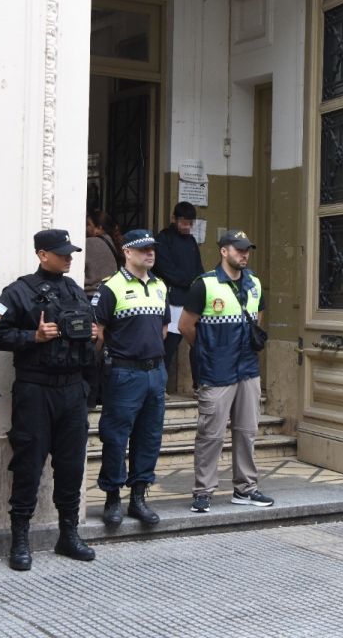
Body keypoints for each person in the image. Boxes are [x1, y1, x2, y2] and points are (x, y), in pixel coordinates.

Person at [0, 229, 98, 571]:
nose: (69, 257)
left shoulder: (74, 290)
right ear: (42, 254)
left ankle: (69, 533)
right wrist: (32, 336)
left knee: (71, 465)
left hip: (73, 390)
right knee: (29, 464)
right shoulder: (18, 292)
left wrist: (92, 335)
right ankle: (20, 538)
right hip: (36, 389)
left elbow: (88, 332)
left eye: (71, 252)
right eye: (62, 252)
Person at [180, 229, 273, 513]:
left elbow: (258, 316)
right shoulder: (204, 285)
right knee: (211, 434)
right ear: (223, 251)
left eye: (247, 250)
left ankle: (246, 488)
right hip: (216, 369)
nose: (244, 254)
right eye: (238, 249)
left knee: (247, 431)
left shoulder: (254, 282)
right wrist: (209, 350)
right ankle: (203, 491)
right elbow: (186, 326)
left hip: (247, 368)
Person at [92, 228, 171, 527]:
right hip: (124, 372)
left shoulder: (161, 286)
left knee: (149, 436)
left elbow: (164, 327)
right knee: (115, 437)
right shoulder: (110, 287)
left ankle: (139, 497)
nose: (150, 253)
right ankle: (113, 498)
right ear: (127, 252)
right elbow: (96, 331)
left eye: (152, 249)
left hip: (155, 371)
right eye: (143, 249)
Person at [154, 201, 204, 385]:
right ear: (174, 219)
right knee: (169, 344)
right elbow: (165, 269)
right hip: (173, 298)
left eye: (190, 223)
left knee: (197, 343)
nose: (187, 227)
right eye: (183, 222)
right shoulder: (163, 239)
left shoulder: (191, 240)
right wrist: (188, 281)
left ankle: (199, 384)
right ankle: (161, 385)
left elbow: (199, 267)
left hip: (192, 299)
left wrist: (200, 284)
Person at [84, 209, 121, 295]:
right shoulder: (112, 241)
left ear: (99, 228)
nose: (85, 227)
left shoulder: (90, 242)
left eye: (88, 224)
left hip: (91, 294)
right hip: (110, 293)